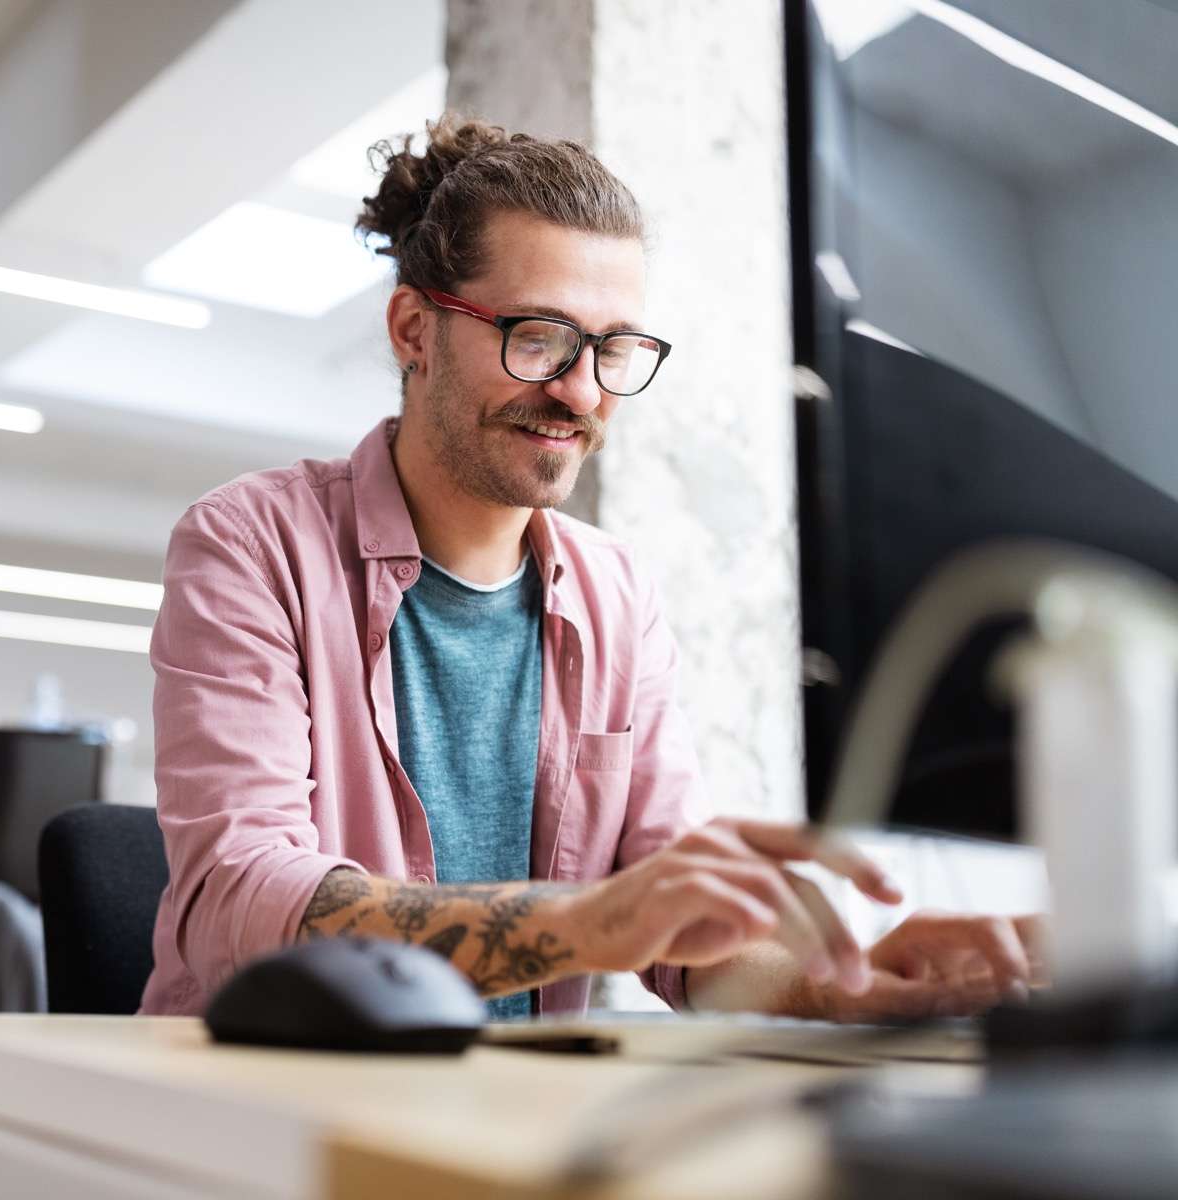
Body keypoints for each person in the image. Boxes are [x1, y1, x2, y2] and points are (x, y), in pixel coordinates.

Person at [141, 115, 1040, 1024]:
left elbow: (683, 939)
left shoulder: (617, 595)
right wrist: (593, 921)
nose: (581, 391)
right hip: (267, 1110)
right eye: (538, 337)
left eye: (614, 349)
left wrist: (846, 984)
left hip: (510, 1119)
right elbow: (240, 904)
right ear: (415, 329)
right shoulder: (253, 543)